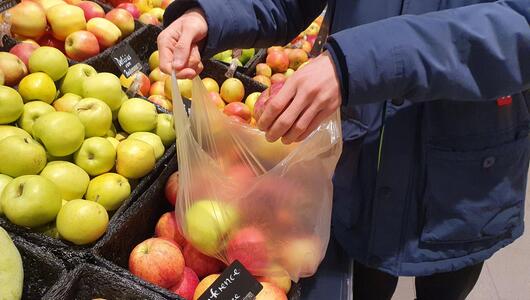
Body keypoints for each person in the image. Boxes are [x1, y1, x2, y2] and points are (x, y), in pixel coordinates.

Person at [159, 1, 530, 299]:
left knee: (446, 281)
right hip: (361, 158)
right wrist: (209, 14)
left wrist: (358, 63)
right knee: (364, 279)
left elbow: (519, 25)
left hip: (463, 182)